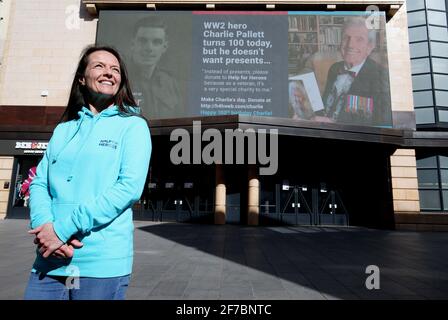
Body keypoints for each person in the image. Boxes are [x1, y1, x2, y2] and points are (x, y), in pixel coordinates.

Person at [24, 45, 152, 300]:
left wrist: (61, 231)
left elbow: (128, 188)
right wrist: (44, 229)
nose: (109, 73)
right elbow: (39, 183)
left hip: (100, 263)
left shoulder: (133, 126)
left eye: (115, 69)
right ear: (82, 78)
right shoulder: (63, 130)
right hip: (52, 259)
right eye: (99, 66)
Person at [319, 17, 392, 127]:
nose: (350, 45)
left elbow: (382, 123)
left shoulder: (381, 76)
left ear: (370, 47)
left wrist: (335, 125)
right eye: (346, 38)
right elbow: (326, 106)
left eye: (359, 39)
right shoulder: (334, 68)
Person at [127, 16, 182, 119]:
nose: (149, 48)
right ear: (133, 44)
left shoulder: (170, 83)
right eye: (143, 41)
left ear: (164, 47)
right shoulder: (121, 79)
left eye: (156, 42)